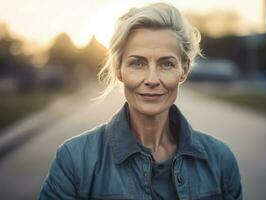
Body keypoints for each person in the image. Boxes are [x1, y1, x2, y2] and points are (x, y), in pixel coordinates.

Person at [39, 2, 242, 200]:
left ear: (185, 70)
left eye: (166, 64)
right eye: (137, 63)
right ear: (119, 69)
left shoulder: (221, 160)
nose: (152, 80)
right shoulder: (74, 160)